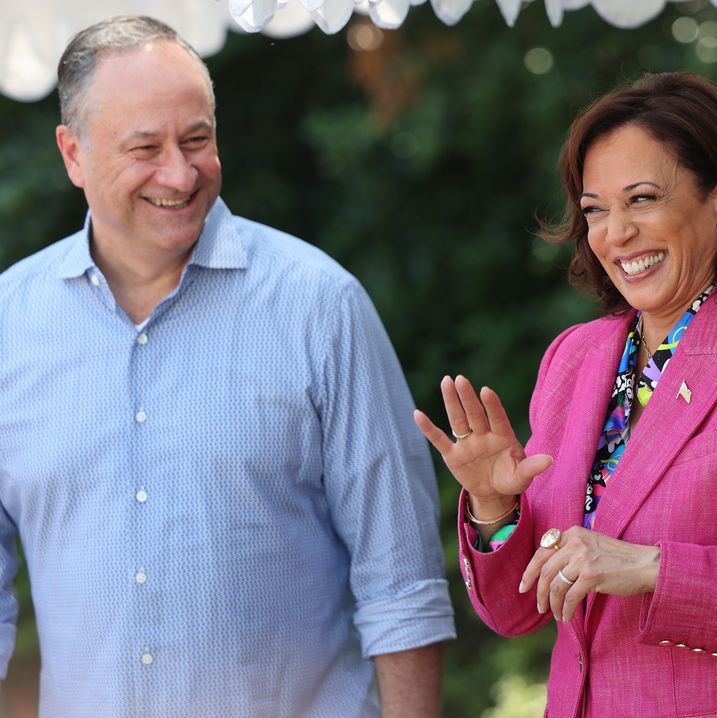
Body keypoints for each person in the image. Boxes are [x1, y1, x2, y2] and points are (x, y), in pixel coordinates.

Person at [0, 15, 455, 718]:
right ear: (73, 155)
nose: (179, 174)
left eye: (197, 139)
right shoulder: (9, 327)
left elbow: (402, 586)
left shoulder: (321, 309)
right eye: (145, 148)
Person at [414, 72, 717, 718]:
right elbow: (518, 612)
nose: (616, 233)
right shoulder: (573, 360)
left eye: (642, 199)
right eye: (594, 210)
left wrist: (656, 570)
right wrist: (494, 507)